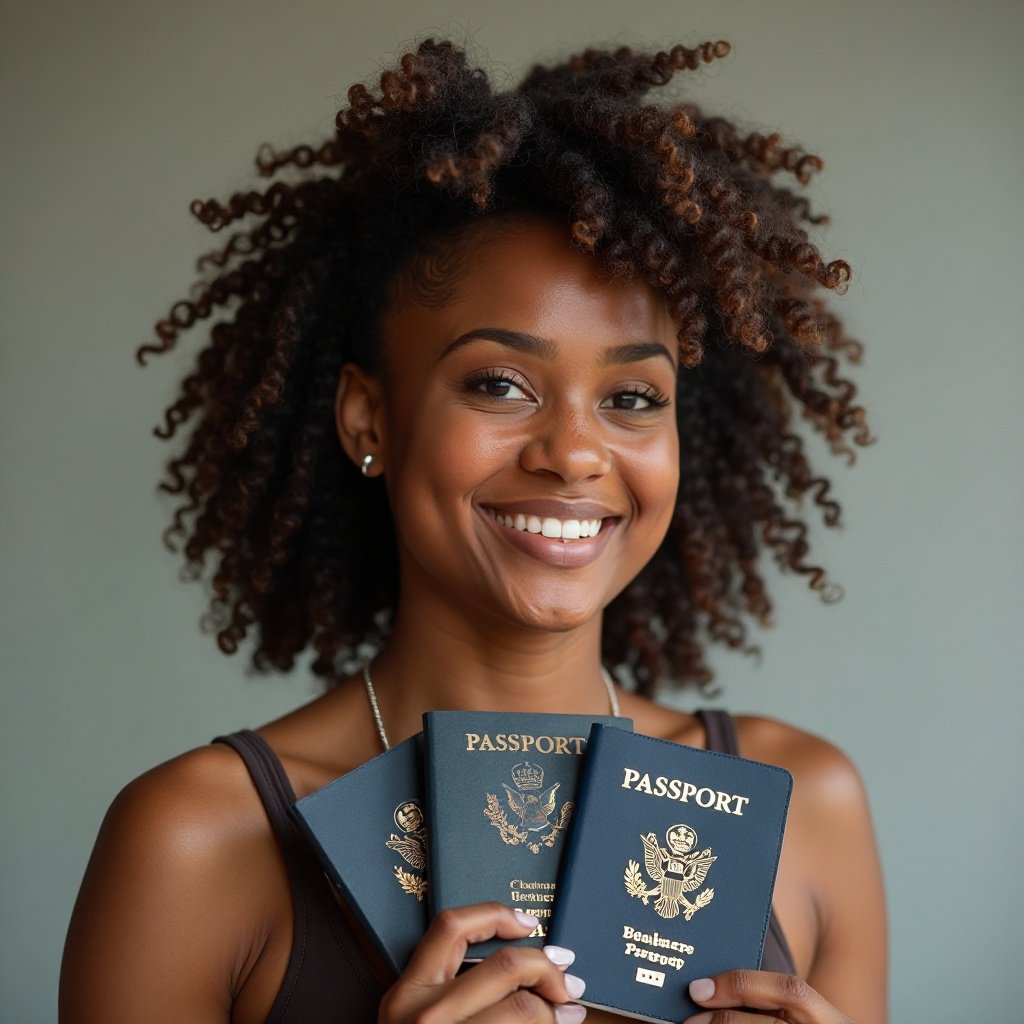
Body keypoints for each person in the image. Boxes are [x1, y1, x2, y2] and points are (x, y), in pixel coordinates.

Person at [60, 37, 887, 1024]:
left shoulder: (806, 803)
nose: (575, 453)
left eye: (631, 395)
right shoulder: (198, 839)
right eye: (498, 383)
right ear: (371, 419)